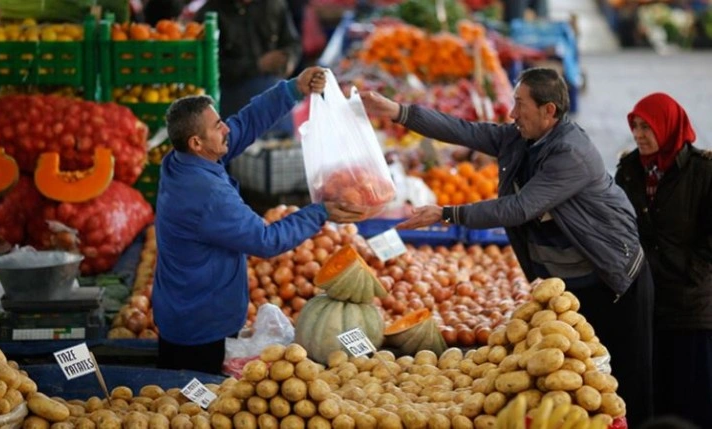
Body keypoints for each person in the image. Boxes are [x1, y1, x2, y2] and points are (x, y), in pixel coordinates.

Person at [360, 67, 654, 426]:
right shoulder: (520, 138)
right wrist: (398, 112)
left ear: (549, 111)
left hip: (613, 281)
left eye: (520, 104)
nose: (512, 113)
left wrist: (447, 213)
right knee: (576, 385)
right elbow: (464, 130)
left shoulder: (570, 153)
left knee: (623, 384)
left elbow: (520, 207)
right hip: (568, 285)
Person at [153, 67, 368, 374]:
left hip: (182, 309)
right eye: (217, 126)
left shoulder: (182, 161)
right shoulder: (208, 194)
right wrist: (320, 212)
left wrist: (292, 89)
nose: (226, 129)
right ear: (196, 143)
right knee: (196, 407)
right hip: (200, 327)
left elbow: (244, 124)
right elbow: (266, 241)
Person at [615, 93, 712, 428]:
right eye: (636, 126)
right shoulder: (628, 171)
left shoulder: (703, 171)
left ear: (669, 126)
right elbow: (616, 226)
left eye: (648, 126)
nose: (639, 134)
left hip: (690, 305)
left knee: (691, 397)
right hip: (643, 300)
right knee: (649, 395)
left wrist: (690, 272)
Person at [195, 0, 301, 135]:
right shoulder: (210, 13)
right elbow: (208, 66)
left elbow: (292, 43)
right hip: (231, 98)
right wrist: (258, 65)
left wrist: (289, 59)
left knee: (281, 148)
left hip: (273, 95)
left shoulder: (274, 5)